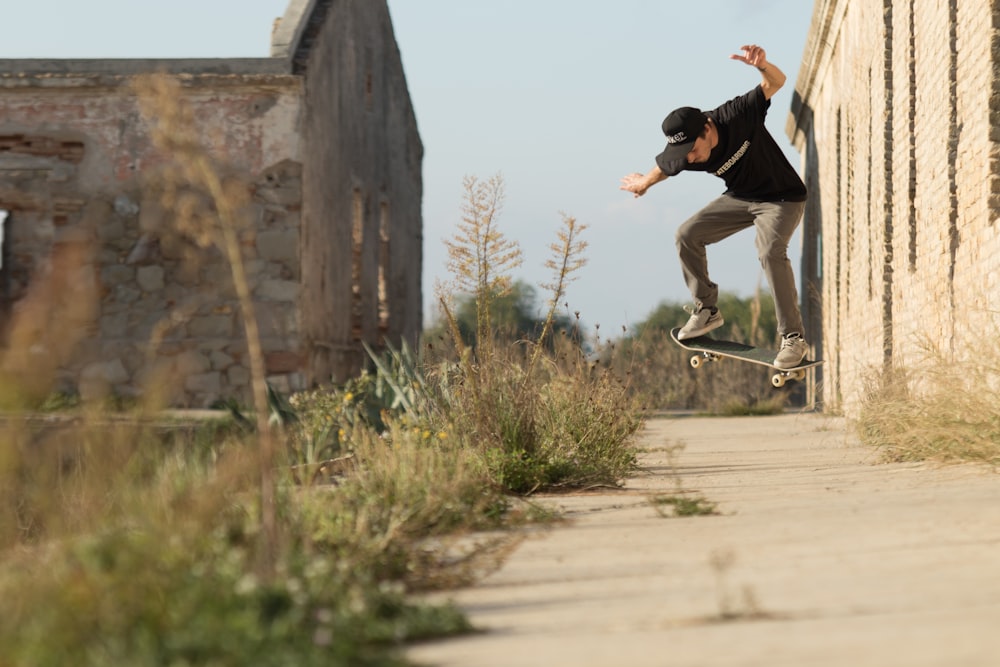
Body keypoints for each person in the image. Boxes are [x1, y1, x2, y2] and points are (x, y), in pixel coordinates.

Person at [620, 44, 809, 370]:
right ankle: (707, 310)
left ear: (707, 128)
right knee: (687, 234)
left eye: (693, 151)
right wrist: (644, 183)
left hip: (781, 198)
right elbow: (665, 167)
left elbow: (776, 83)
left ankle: (793, 338)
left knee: (769, 251)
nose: (690, 160)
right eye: (684, 155)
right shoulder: (684, 153)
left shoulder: (737, 114)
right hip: (740, 198)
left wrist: (763, 66)